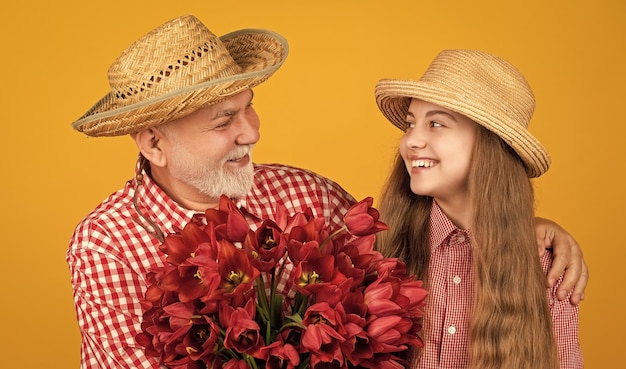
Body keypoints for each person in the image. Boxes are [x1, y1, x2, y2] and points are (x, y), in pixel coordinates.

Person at [67, 15, 586, 369]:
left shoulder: (305, 195)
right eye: (225, 120)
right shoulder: (107, 244)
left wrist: (531, 229)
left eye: (249, 107)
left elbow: (405, 247)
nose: (251, 132)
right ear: (154, 143)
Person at [374, 49, 583, 368]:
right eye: (410, 124)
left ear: (489, 145)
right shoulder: (378, 248)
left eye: (436, 124)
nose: (412, 141)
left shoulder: (547, 269)